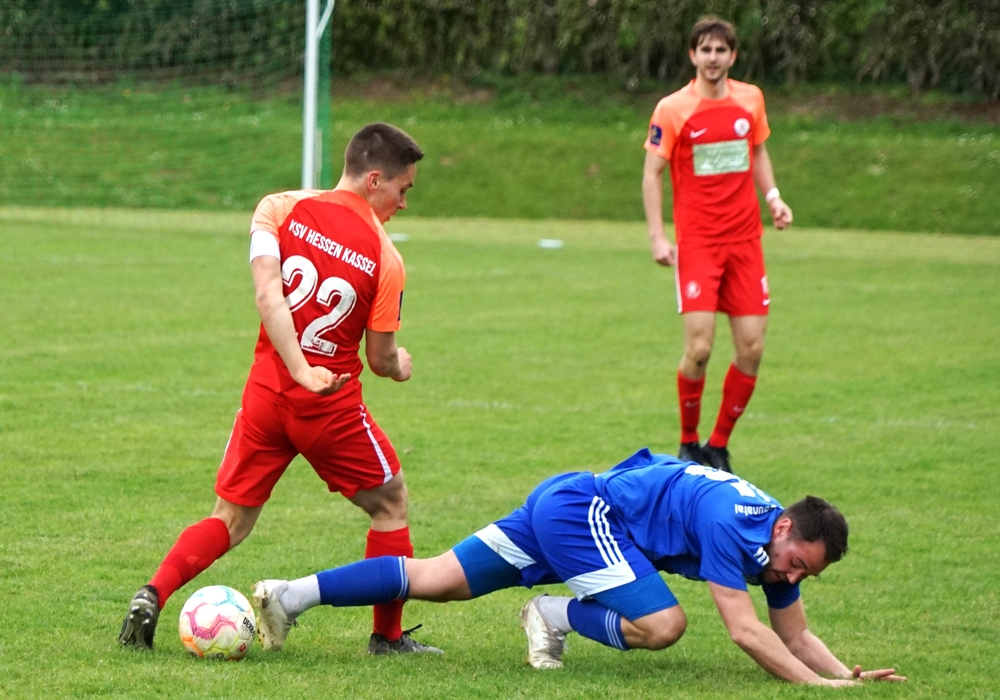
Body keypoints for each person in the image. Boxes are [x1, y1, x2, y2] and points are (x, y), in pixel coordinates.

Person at [119, 122, 441, 655]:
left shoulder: (277, 208)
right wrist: (398, 366)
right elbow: (380, 360)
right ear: (374, 180)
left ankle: (154, 591)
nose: (404, 204)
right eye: (402, 190)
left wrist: (291, 367)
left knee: (230, 519)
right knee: (391, 504)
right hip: (328, 406)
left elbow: (269, 295)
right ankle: (386, 637)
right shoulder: (387, 258)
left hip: (265, 397)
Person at [251, 448, 905, 686]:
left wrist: (843, 674)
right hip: (584, 516)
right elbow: (745, 631)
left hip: (570, 505)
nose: (791, 578)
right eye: (796, 565)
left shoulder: (774, 542)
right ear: (784, 528)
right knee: (665, 625)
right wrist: (813, 688)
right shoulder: (733, 525)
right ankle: (552, 613)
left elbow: (793, 632)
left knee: (438, 580)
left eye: (805, 576)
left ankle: (288, 595)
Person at [641, 16, 794, 473]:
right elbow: (652, 175)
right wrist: (658, 236)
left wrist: (773, 197)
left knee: (752, 348)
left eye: (720, 50)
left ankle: (718, 446)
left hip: (745, 242)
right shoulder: (672, 109)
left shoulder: (751, 99)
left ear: (733, 56)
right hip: (699, 245)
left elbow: (758, 152)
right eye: (705, 50)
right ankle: (688, 442)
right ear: (693, 55)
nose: (713, 58)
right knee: (700, 349)